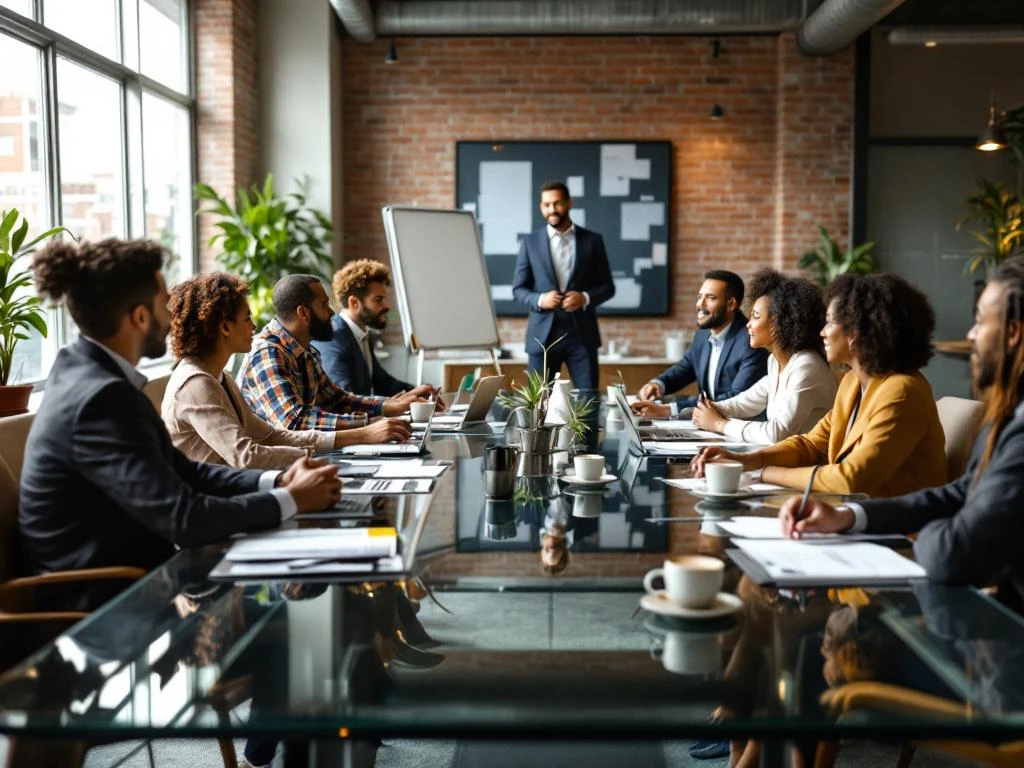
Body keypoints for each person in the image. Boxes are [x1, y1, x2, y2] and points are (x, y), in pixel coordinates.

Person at [19, 239, 342, 611]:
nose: (173, 320)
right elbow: (184, 518)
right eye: (165, 307)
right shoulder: (99, 398)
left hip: (141, 582)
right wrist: (291, 499)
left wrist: (277, 481)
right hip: (106, 608)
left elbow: (182, 470)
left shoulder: (92, 377)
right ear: (139, 317)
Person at [779, 253, 1024, 610]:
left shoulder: (906, 390)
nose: (970, 335)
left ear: (1014, 333)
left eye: (979, 320)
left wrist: (921, 536)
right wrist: (848, 518)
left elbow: (953, 553)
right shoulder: (1008, 419)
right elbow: (958, 493)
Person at [693, 273, 947, 497]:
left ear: (858, 330)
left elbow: (850, 478)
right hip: (852, 514)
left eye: (831, 322)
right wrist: (744, 460)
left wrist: (764, 472)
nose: (822, 332)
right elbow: (811, 444)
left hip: (898, 533)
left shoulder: (902, 390)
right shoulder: (852, 382)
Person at [163, 273, 413, 469]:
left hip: (241, 488)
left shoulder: (221, 378)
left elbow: (270, 436)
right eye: (247, 318)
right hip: (220, 503)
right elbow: (248, 455)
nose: (254, 325)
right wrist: (359, 435)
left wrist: (376, 421)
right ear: (225, 328)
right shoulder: (197, 383)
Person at [239, 274, 436, 431]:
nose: (332, 312)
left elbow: (339, 400)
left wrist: (392, 405)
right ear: (304, 313)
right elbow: (294, 421)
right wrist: (368, 425)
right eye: (324, 305)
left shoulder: (306, 352)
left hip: (300, 459)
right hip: (275, 470)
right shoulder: (267, 353)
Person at [660, 269, 836, 444]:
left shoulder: (806, 365)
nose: (748, 325)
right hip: (786, 459)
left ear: (778, 325)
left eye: (755, 317)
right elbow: (744, 402)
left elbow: (776, 433)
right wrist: (710, 408)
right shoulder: (776, 361)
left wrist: (720, 424)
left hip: (807, 466)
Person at [512, 179, 615, 390]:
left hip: (582, 336)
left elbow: (608, 287)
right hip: (542, 337)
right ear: (541, 207)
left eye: (557, 203)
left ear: (569, 203)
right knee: (538, 405)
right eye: (547, 205)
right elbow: (518, 289)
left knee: (588, 402)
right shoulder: (530, 242)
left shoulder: (593, 240)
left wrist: (584, 298)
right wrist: (541, 299)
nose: (552, 209)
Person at [635, 270, 768, 416]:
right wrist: (658, 384)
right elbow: (685, 368)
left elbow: (736, 398)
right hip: (707, 425)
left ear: (731, 304)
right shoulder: (702, 336)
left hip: (736, 427)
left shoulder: (751, 341)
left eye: (710, 298)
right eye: (699, 297)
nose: (700, 304)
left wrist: (670, 410)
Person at [311, 259, 414, 396]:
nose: (386, 306)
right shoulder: (333, 338)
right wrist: (391, 406)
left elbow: (382, 382)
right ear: (354, 303)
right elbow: (344, 397)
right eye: (378, 300)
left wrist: (417, 392)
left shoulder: (362, 334)